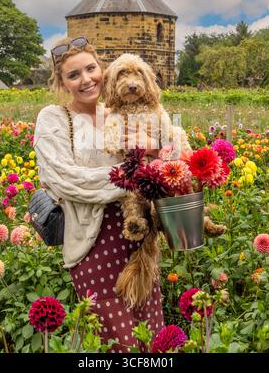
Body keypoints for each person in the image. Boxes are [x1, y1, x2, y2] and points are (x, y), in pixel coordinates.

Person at [33, 36, 165, 353]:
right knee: (117, 342)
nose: (86, 79)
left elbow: (158, 156)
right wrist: (130, 175)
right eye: (73, 74)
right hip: (93, 245)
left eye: (91, 69)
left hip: (138, 241)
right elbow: (65, 180)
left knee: (153, 339)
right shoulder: (53, 118)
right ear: (62, 82)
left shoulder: (120, 111)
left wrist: (159, 155)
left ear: (102, 70)